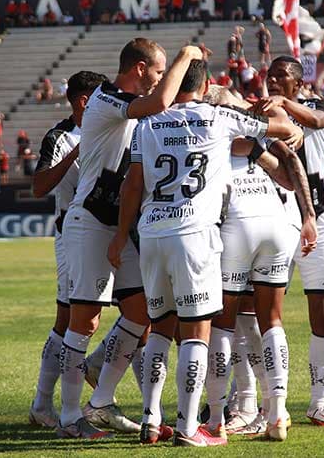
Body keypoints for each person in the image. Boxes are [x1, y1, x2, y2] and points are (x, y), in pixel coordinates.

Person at [107, 60, 306, 446]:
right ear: (208, 85)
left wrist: (119, 236)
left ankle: (151, 420)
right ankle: (188, 427)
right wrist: (286, 124)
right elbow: (279, 130)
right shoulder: (217, 117)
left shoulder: (147, 123)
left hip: (152, 231)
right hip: (195, 234)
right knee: (199, 331)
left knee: (161, 327)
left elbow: (133, 185)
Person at [56, 39, 203, 439]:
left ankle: (100, 400)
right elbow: (158, 104)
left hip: (115, 227)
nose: (159, 81)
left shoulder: (125, 104)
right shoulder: (107, 97)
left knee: (141, 313)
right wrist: (186, 57)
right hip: (89, 221)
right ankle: (69, 418)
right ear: (140, 68)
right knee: (83, 321)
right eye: (156, 73)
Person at [200, 86, 316, 441]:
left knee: (222, 325)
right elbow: (288, 165)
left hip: (237, 225)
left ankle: (217, 417)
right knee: (272, 321)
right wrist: (308, 214)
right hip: (275, 223)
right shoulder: (254, 132)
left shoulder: (208, 130)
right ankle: (277, 413)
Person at [253, 56, 324, 427]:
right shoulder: (257, 111)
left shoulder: (313, 104)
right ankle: (262, 403)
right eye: (270, 75)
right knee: (259, 309)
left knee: (322, 305)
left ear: (298, 81)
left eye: (282, 76)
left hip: (317, 217)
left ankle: (319, 401)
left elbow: (317, 121)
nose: (274, 81)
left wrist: (283, 105)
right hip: (272, 217)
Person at [28, 71, 108, 429]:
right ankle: (43, 405)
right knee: (68, 320)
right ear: (83, 101)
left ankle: (100, 383)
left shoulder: (109, 126)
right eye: (101, 96)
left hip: (110, 232)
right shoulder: (59, 137)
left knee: (141, 313)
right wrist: (77, 151)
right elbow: (39, 186)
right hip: (71, 236)